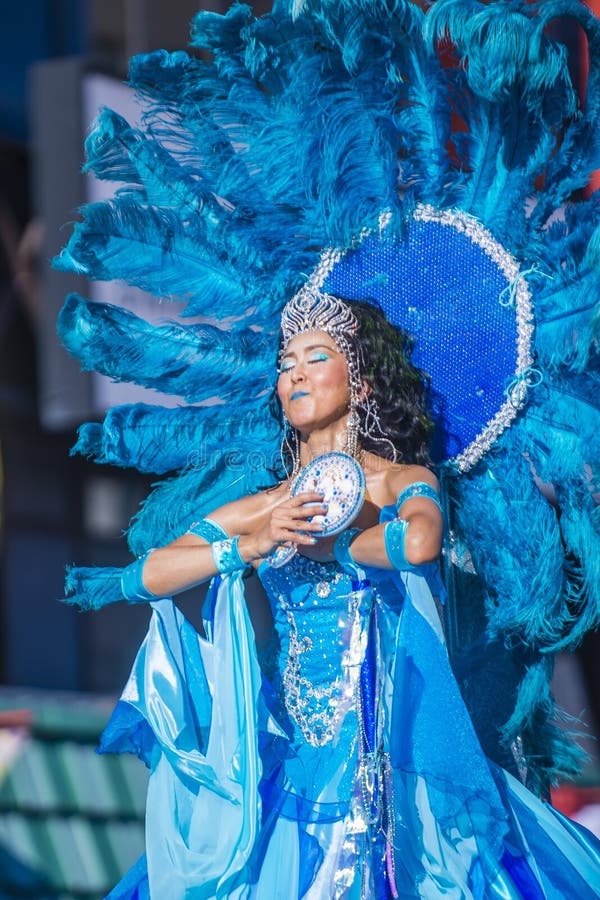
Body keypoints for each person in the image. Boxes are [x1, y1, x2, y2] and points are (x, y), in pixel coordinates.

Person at [100, 287, 600, 900]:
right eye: (286, 364)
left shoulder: (399, 481)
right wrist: (249, 546)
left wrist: (333, 543)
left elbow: (419, 544)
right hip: (293, 760)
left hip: (394, 753)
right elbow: (146, 573)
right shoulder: (269, 505)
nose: (295, 376)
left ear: (359, 385)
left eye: (315, 357)